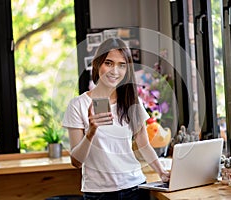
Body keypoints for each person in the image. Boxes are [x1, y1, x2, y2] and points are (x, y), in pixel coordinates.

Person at [62, 38, 170, 200]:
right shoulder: (78, 105)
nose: (115, 71)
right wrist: (91, 132)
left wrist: (161, 172)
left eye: (122, 65)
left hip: (135, 188)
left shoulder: (132, 101)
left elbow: (143, 144)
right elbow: (76, 162)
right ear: (98, 64)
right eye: (109, 63)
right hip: (98, 194)